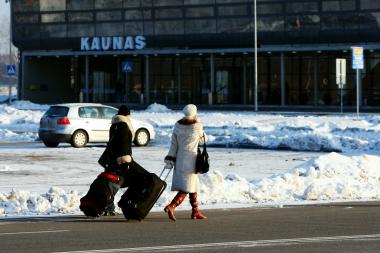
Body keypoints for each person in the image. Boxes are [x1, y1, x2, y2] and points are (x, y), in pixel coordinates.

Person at [164, 104, 207, 221]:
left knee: (192, 185)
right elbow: (204, 140)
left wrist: (170, 158)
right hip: (192, 159)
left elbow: (174, 144)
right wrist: (199, 123)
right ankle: (171, 206)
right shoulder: (197, 126)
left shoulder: (177, 125)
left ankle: (195, 211)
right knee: (187, 187)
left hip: (180, 158)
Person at [103, 105, 135, 215]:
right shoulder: (124, 125)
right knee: (119, 183)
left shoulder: (114, 125)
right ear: (127, 115)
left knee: (112, 182)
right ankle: (121, 205)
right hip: (122, 159)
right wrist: (126, 158)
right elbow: (124, 144)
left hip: (112, 159)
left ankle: (109, 206)